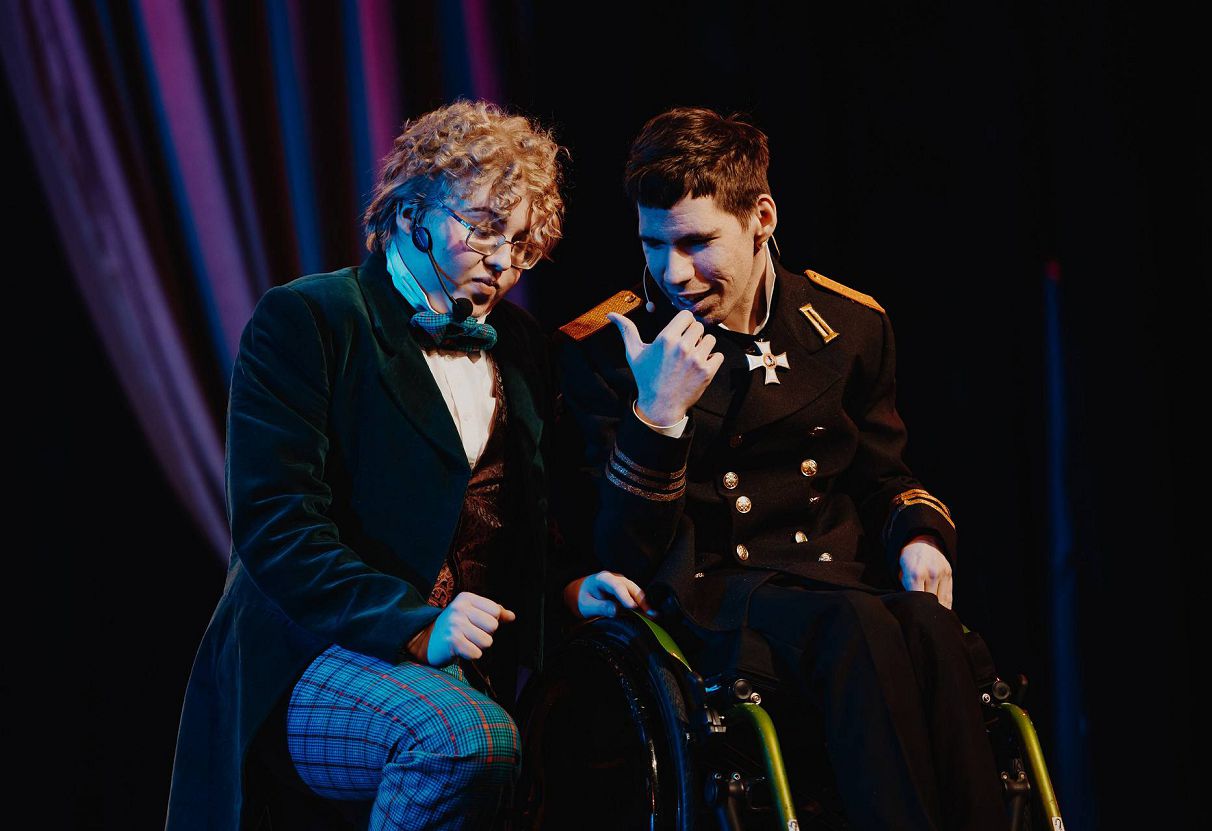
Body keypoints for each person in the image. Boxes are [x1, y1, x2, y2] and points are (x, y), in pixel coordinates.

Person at [166, 100, 643, 831]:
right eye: (483, 228)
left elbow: (513, 527)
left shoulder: (520, 345)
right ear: (413, 210)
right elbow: (278, 528)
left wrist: (571, 588)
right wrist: (414, 625)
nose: (503, 262)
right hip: (311, 653)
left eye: (521, 243)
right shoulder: (313, 318)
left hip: (462, 669)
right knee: (461, 738)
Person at [556, 107, 1008, 829]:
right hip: (714, 596)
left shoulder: (849, 325)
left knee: (927, 625)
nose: (673, 272)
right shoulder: (610, 348)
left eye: (697, 242)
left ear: (761, 218)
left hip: (834, 580)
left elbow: (886, 478)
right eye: (653, 244)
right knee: (857, 624)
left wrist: (921, 536)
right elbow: (622, 551)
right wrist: (658, 414)